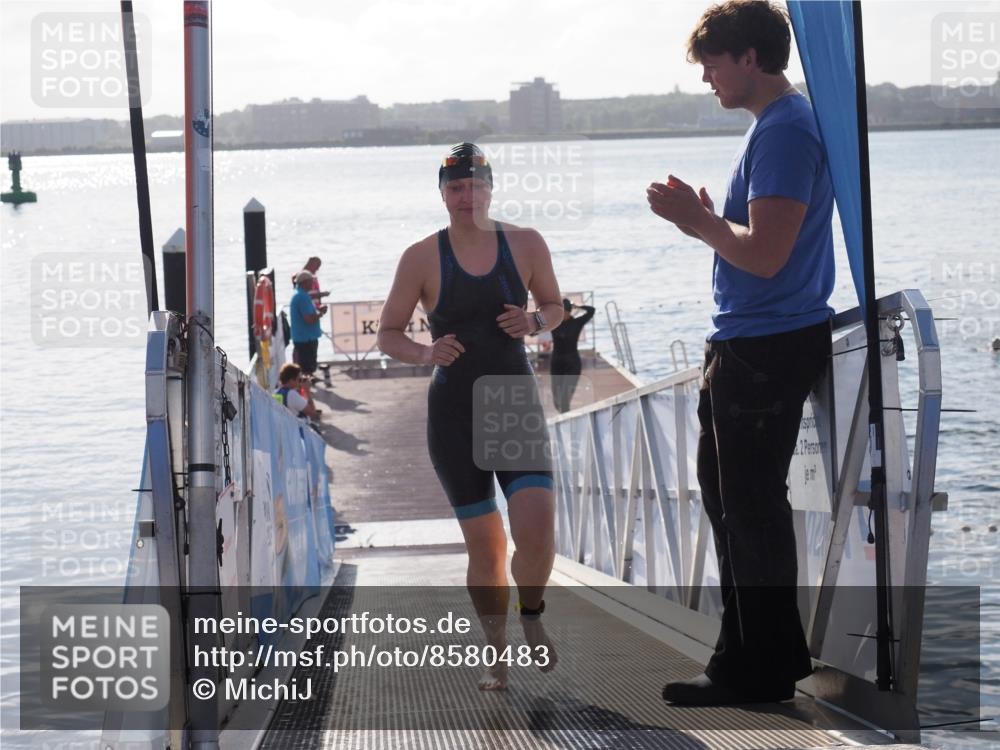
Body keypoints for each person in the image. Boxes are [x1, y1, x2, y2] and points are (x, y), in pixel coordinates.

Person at [647, 0, 835, 706]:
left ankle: (760, 668)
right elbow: (761, 248)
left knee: (750, 507)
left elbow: (766, 255)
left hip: (766, 343)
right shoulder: (776, 127)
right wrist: (706, 224)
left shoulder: (785, 131)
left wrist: (698, 222)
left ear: (750, 58)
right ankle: (749, 658)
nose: (706, 80)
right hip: (753, 339)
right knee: (734, 503)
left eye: (712, 65)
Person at [377, 142, 565, 690]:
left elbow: (555, 307)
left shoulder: (526, 243)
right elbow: (390, 332)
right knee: (486, 548)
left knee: (536, 536)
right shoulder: (420, 257)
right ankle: (497, 655)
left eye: (476, 185)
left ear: (491, 187)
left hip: (511, 403)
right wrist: (423, 353)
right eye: (455, 187)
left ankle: (531, 617)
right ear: (442, 193)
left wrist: (533, 322)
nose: (467, 196)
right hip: (454, 413)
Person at [549, 298, 596, 413]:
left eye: (563, 312)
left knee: (564, 400)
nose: (561, 315)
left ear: (569, 312)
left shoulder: (577, 323)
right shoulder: (554, 323)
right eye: (560, 312)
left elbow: (591, 310)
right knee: (556, 401)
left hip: (572, 363)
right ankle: (564, 418)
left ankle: (567, 425)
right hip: (557, 363)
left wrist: (576, 306)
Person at [289, 270, 327, 376]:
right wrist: (321, 313)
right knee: (307, 367)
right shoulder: (302, 297)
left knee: (305, 365)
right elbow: (309, 319)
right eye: (311, 281)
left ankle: (306, 383)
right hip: (306, 338)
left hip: (303, 337)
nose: (313, 284)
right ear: (305, 282)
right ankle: (306, 387)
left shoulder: (300, 295)